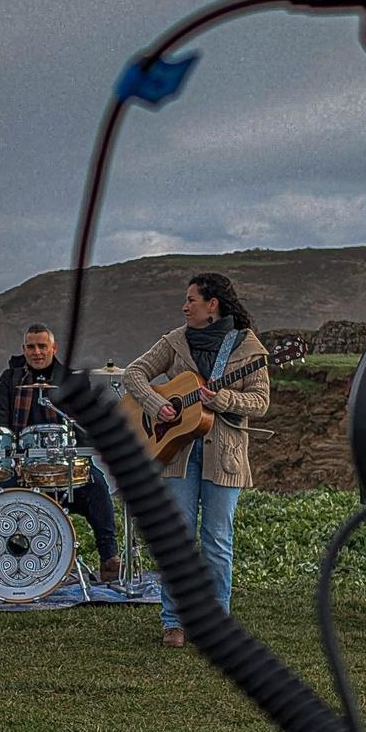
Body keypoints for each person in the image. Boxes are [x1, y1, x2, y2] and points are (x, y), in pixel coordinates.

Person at [123, 273, 271, 648]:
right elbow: (134, 373)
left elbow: (261, 402)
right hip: (177, 454)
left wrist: (221, 401)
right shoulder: (174, 341)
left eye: (191, 300)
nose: (184, 306)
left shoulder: (248, 347)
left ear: (212, 304)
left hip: (225, 456)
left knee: (217, 539)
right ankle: (173, 621)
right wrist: (159, 405)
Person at [0, 323, 121, 581]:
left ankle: (109, 559)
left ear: (53, 348)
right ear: (24, 349)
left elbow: (87, 428)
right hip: (23, 466)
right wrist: (13, 457)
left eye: (42, 346)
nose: (37, 352)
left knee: (97, 485)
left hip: (66, 465)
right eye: (31, 347)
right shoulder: (10, 379)